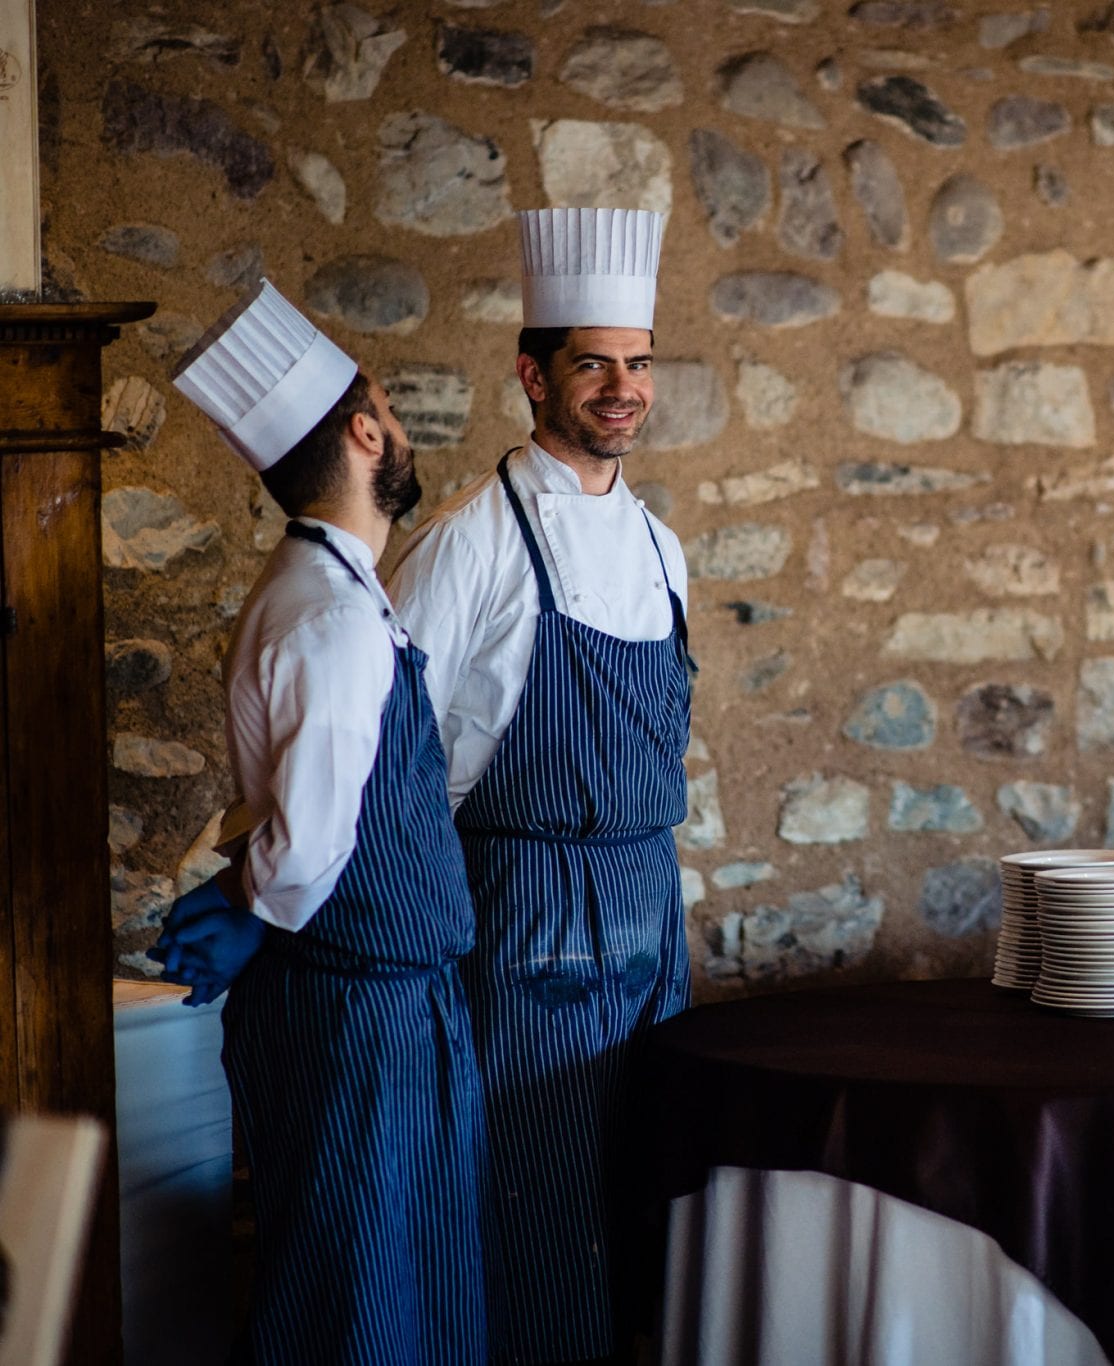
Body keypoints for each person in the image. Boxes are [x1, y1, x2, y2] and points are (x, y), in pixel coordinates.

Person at [152, 280, 487, 1363]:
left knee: (390, 1288)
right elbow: (303, 854)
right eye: (385, 405)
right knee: (357, 1302)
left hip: (377, 1006)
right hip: (354, 1017)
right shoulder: (333, 616)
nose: (394, 424)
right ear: (363, 429)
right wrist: (251, 905)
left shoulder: (328, 587)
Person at [388, 207, 694, 1364]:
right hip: (521, 914)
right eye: (593, 364)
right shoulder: (470, 543)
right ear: (532, 374)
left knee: (644, 1187)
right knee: (533, 1196)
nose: (622, 388)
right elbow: (388, 755)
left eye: (639, 362)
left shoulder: (663, 550)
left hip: (647, 910)